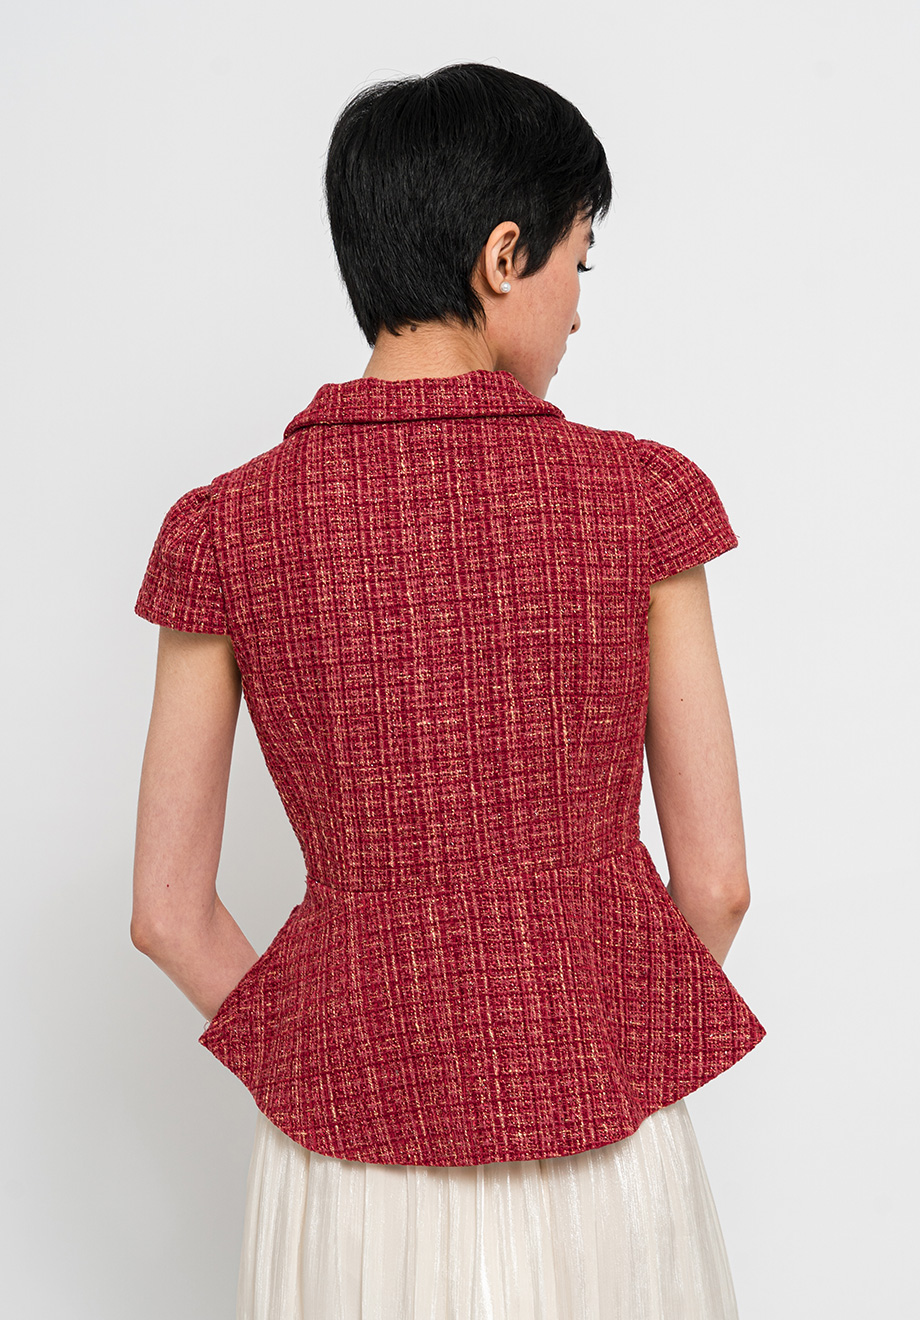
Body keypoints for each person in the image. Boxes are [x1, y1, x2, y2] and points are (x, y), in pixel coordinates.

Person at [131, 62, 766, 1319]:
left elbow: (166, 912)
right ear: (502, 256)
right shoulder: (640, 499)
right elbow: (716, 885)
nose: (578, 311)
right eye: (579, 261)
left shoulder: (222, 529)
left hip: (344, 1157)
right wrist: (594, 1032)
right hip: (599, 1136)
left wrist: (323, 1059)